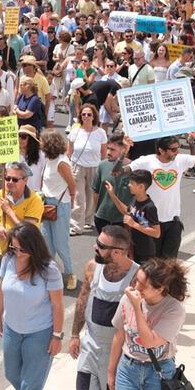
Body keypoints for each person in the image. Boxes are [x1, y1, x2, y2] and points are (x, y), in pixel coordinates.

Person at [0, 223, 64, 390]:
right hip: (12, 328)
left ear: (34, 247)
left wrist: (56, 335)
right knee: (12, 373)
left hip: (40, 333)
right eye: (14, 248)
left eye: (22, 249)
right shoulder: (8, 260)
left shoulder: (49, 269)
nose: (18, 253)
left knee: (31, 379)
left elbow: (57, 305)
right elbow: (1, 290)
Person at [108, 258, 189, 390]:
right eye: (136, 281)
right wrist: (111, 372)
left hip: (159, 374)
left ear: (160, 289)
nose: (136, 288)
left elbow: (150, 341)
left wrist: (137, 307)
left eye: (143, 286)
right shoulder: (128, 298)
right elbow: (119, 336)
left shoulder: (174, 309)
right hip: (128, 370)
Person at [70, 225, 138, 390]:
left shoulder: (137, 277)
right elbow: (82, 300)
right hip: (90, 345)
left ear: (118, 252)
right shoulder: (92, 267)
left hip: (118, 351)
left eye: (100, 245)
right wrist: (73, 335)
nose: (94, 247)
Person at [125, 133, 195, 259]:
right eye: (173, 149)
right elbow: (120, 172)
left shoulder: (180, 160)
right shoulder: (146, 161)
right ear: (161, 150)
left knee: (168, 267)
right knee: (150, 266)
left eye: (178, 147)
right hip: (149, 224)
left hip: (172, 223)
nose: (177, 152)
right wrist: (125, 150)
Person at [40, 130, 77, 289]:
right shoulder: (49, 159)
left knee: (61, 243)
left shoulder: (62, 162)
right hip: (46, 203)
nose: (40, 144)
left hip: (59, 204)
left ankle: (70, 274)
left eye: (42, 141)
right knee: (47, 242)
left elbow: (72, 184)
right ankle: (51, 272)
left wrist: (72, 200)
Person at [68, 104, 108, 233]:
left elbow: (103, 153)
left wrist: (103, 168)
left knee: (91, 196)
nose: (86, 116)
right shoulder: (75, 131)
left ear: (94, 116)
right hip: (77, 167)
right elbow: (69, 151)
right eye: (83, 114)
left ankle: (88, 220)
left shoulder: (100, 133)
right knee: (78, 196)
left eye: (89, 114)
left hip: (94, 167)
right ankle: (75, 225)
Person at [109, 170, 160, 263]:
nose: (129, 185)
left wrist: (134, 224)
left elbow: (156, 233)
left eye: (132, 183)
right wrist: (112, 195)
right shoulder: (134, 199)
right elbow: (127, 212)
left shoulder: (150, 207)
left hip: (145, 252)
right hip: (132, 247)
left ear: (141, 187)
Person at [0, 161, 44, 256]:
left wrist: (8, 211)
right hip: (4, 250)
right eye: (7, 178)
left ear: (25, 179)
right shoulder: (1, 194)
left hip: (24, 253)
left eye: (15, 179)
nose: (10, 182)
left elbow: (27, 231)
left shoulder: (35, 200)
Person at [92, 133, 132, 233]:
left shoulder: (133, 168)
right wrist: (97, 212)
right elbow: (96, 192)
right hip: (102, 218)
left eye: (113, 150)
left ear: (123, 150)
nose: (108, 152)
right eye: (108, 148)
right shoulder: (102, 165)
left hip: (123, 220)